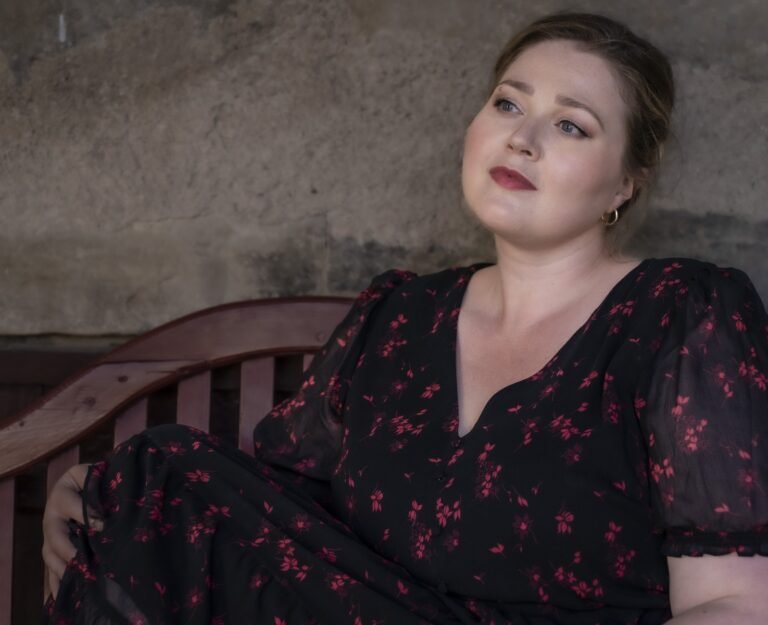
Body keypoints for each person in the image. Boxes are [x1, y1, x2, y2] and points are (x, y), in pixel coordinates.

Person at [42, 12, 768, 625]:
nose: (523, 138)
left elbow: (738, 604)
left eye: (572, 125)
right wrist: (100, 505)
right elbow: (283, 539)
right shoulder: (396, 318)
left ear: (625, 184)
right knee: (158, 471)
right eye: (508, 104)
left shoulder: (682, 313)